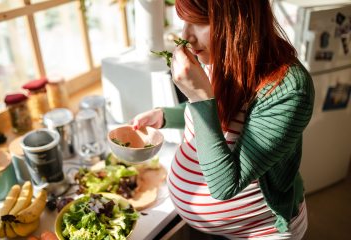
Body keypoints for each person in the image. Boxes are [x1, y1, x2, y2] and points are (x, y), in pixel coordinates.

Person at [131, 0, 315, 239]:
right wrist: (165, 116)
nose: (186, 36)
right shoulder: (218, 54)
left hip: (262, 230)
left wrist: (198, 97)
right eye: (184, 21)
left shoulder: (290, 90)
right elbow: (218, 113)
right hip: (215, 228)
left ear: (239, 19)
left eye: (199, 22)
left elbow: (225, 185)